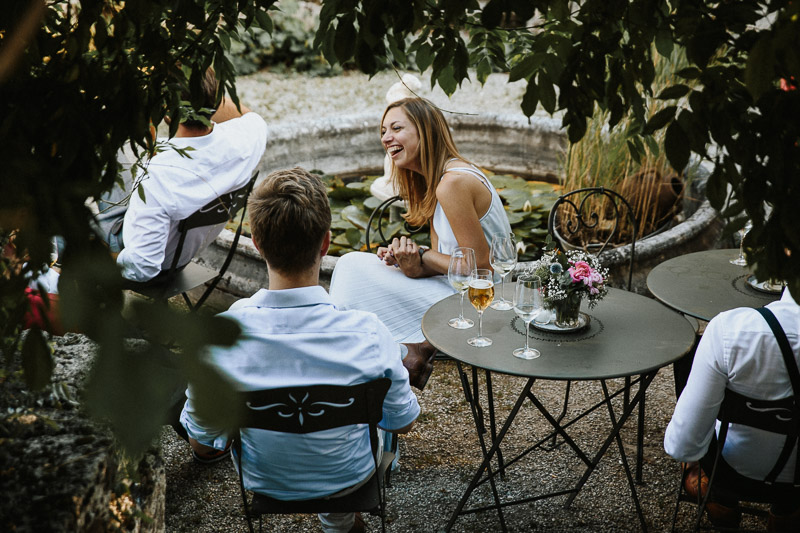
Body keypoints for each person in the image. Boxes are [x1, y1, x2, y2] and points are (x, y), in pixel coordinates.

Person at [179, 167, 421, 533]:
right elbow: (402, 420)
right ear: (325, 243)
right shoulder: (368, 331)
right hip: (350, 478)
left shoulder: (222, 335)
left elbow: (201, 434)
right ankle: (340, 519)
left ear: (257, 244)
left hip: (264, 479)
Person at [329, 97, 512, 344]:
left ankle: (344, 345)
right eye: (383, 131)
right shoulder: (442, 180)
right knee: (353, 266)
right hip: (458, 291)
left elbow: (479, 267)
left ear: (425, 132)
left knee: (351, 268)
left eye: (396, 128)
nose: (385, 138)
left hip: (481, 304)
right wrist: (409, 262)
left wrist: (423, 253)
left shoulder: (453, 184)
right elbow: (448, 263)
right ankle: (355, 343)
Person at [104, 67, 267, 282]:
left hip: (152, 266)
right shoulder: (246, 140)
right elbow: (249, 116)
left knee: (66, 231)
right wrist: (204, 92)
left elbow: (142, 267)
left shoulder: (158, 172)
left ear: (167, 111)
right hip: (181, 253)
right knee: (112, 159)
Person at [664, 287, 800, 531]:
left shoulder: (731, 331)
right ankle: (786, 512)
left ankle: (720, 503)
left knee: (688, 360)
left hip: (731, 476)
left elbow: (682, 445)